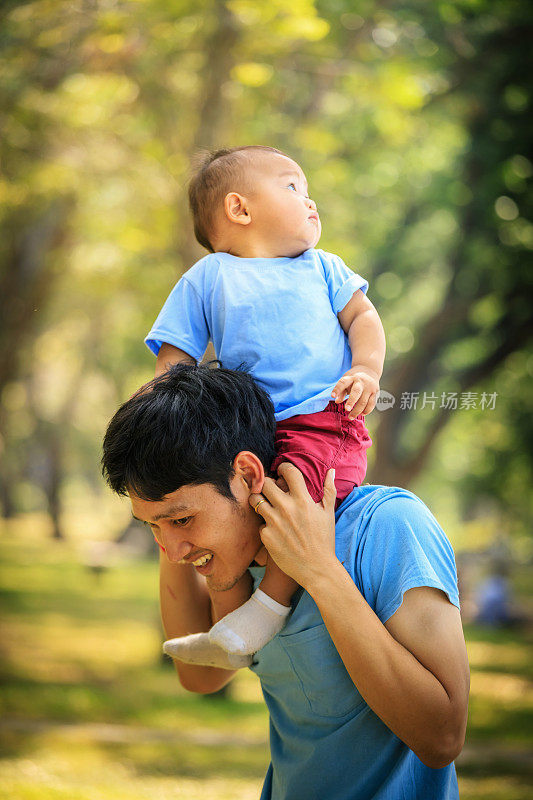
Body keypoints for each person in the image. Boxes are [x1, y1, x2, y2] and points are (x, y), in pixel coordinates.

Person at [102, 364, 469, 800]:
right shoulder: (235, 562)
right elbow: (199, 677)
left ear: (248, 475)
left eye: (183, 519)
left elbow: (442, 738)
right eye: (153, 528)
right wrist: (196, 548)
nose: (172, 550)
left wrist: (319, 572)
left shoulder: (390, 528)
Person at [143, 145, 386, 659]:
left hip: (322, 419)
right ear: (240, 209)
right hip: (248, 429)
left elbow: (363, 318)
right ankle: (228, 622)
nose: (311, 201)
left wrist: (364, 368)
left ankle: (257, 621)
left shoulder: (323, 268)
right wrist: (165, 425)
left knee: (289, 505)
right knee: (236, 507)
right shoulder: (209, 277)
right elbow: (175, 360)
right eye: (294, 187)